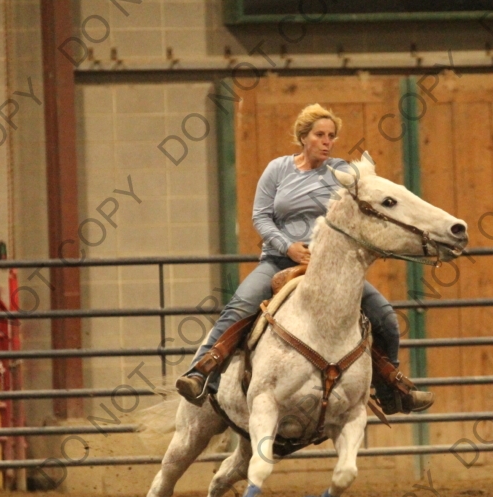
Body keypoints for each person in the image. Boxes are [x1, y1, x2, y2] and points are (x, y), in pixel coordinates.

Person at [175, 103, 433, 415]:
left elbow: (370, 199)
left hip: (329, 268)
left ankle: (392, 388)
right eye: (319, 135)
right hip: (279, 261)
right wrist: (288, 247)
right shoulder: (278, 169)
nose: (327, 141)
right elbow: (261, 217)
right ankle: (202, 374)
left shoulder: (342, 173)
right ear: (303, 137)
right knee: (241, 305)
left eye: (332, 136)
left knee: (384, 316)